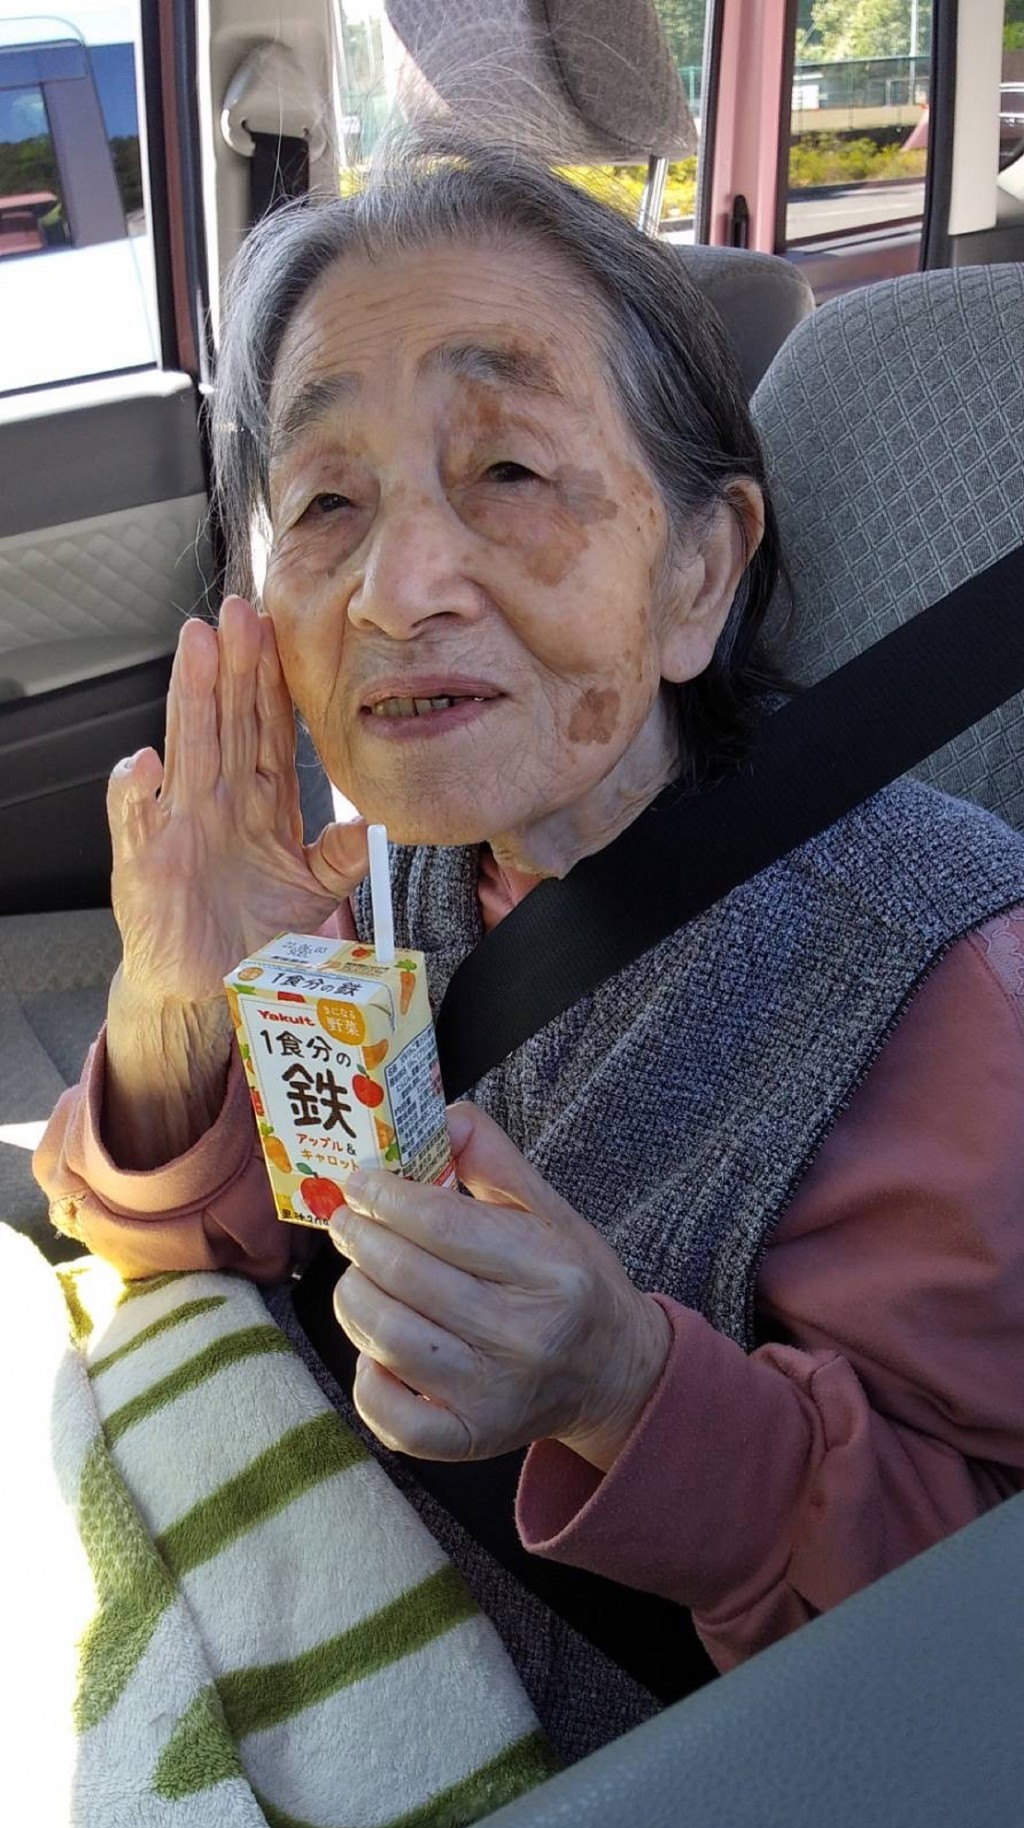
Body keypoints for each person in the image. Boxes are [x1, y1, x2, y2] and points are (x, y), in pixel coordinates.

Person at [36, 137, 1024, 1700]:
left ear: (699, 572)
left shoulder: (946, 988)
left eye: (507, 473)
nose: (399, 587)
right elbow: (224, 1250)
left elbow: (968, 1644)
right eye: (329, 500)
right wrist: (175, 1016)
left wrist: (629, 1389)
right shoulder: (358, 875)